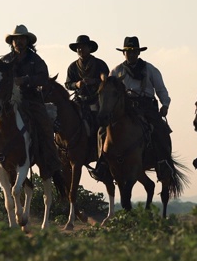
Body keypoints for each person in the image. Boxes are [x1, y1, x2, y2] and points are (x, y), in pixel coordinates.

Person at [0, 24, 62, 180]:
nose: (18, 42)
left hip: (30, 100)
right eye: (16, 39)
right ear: (12, 42)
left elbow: (44, 78)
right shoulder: (5, 60)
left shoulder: (35, 60)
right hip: (6, 102)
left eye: (21, 39)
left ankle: (51, 163)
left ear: (27, 41)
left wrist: (26, 80)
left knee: (45, 126)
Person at [99, 36, 172, 180]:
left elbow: (161, 89)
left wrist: (165, 104)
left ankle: (163, 162)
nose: (131, 54)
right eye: (128, 51)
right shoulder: (116, 70)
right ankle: (103, 163)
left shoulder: (149, 69)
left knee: (159, 129)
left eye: (134, 52)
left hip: (146, 106)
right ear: (123, 53)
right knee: (102, 131)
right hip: (124, 107)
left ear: (138, 53)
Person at [64, 35, 110, 180]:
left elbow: (106, 80)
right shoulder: (72, 66)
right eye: (78, 47)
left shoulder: (100, 64)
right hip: (79, 101)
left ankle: (102, 158)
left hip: (96, 100)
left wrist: (94, 81)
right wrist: (76, 85)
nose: (80, 49)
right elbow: (67, 84)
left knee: (101, 126)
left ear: (89, 48)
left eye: (83, 46)